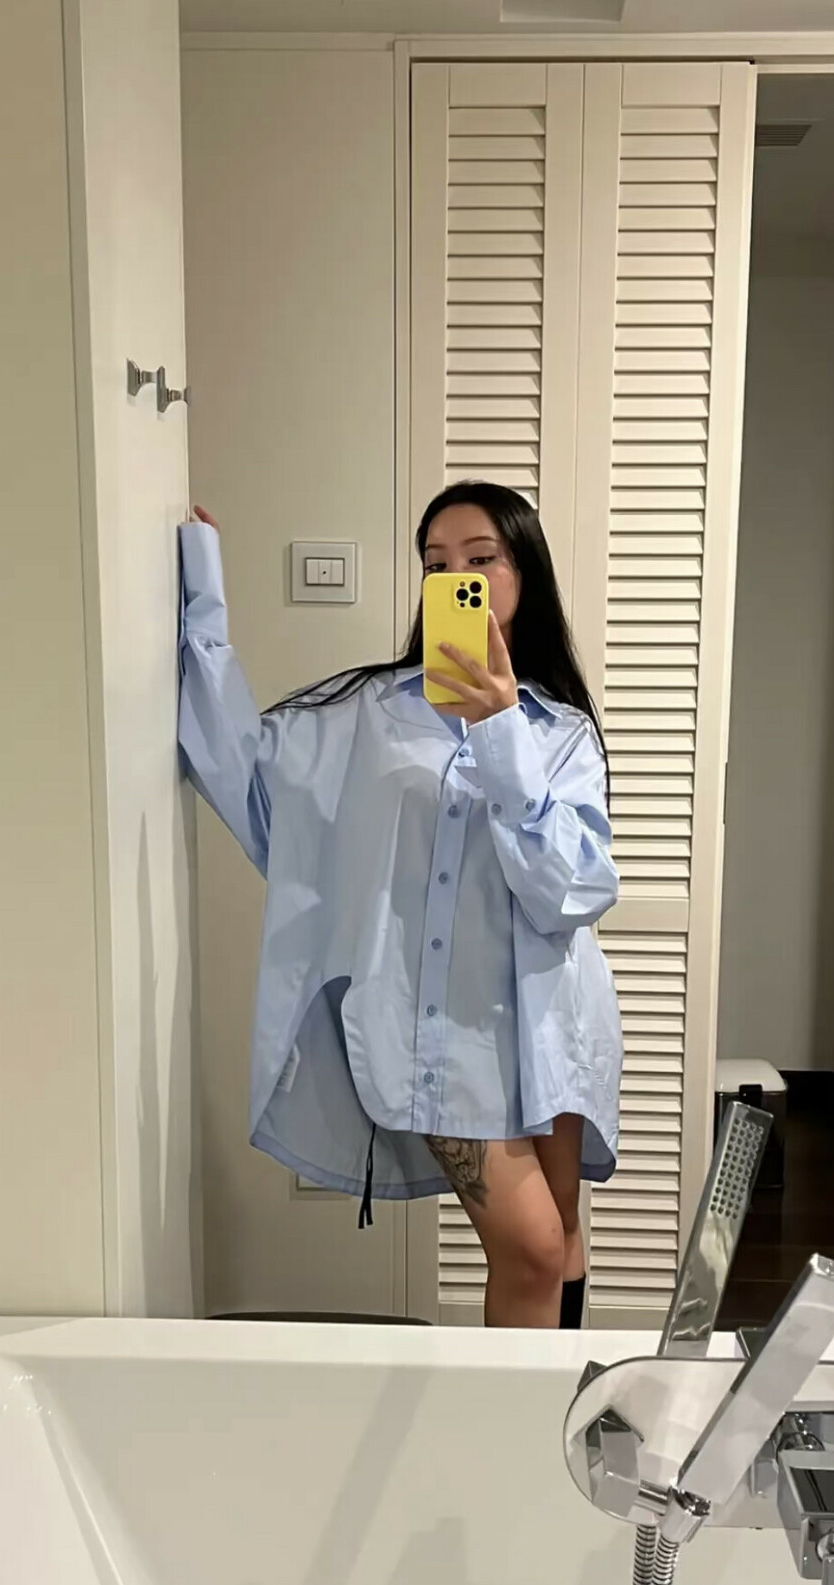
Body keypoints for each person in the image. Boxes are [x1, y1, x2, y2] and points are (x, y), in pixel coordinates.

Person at [178, 481, 622, 1329]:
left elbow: (570, 892)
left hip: (553, 1029)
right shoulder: (369, 716)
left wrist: (499, 728)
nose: (457, 579)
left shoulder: (559, 732)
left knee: (563, 1235)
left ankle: (557, 1411)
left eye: (481, 560)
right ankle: (514, 1416)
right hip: (438, 1037)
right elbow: (244, 774)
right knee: (531, 1247)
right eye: (436, 565)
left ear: (524, 572)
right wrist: (202, 591)